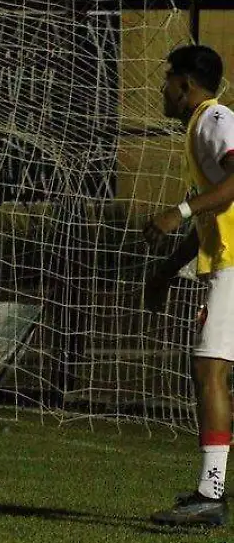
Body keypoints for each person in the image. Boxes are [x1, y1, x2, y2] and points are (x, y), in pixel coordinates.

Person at [144, 45, 233, 527]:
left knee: (209, 369)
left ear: (186, 85)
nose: (162, 89)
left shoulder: (214, 118)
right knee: (210, 368)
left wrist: (176, 211)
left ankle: (211, 495)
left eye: (167, 79)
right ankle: (210, 490)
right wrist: (163, 271)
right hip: (225, 262)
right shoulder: (199, 130)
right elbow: (212, 211)